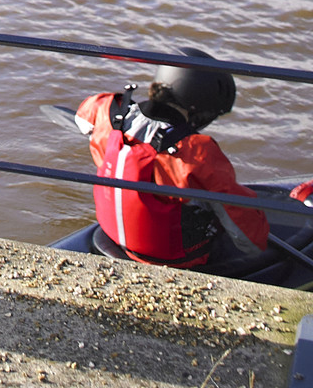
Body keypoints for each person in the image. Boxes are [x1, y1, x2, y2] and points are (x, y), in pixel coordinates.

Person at [76, 64, 268, 266]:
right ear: (199, 105)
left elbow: (81, 119)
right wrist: (258, 250)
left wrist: (100, 140)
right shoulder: (195, 151)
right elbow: (245, 232)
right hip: (172, 258)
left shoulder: (107, 110)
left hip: (114, 238)